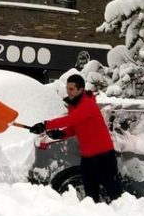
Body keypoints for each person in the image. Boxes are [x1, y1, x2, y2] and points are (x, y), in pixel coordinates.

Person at [30, 73, 124, 203]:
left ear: (80, 90)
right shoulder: (74, 106)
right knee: (90, 193)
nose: (68, 92)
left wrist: (45, 125)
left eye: (72, 89)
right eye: (68, 88)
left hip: (103, 156)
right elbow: (75, 126)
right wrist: (62, 134)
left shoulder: (87, 104)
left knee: (114, 192)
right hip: (87, 157)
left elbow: (72, 119)